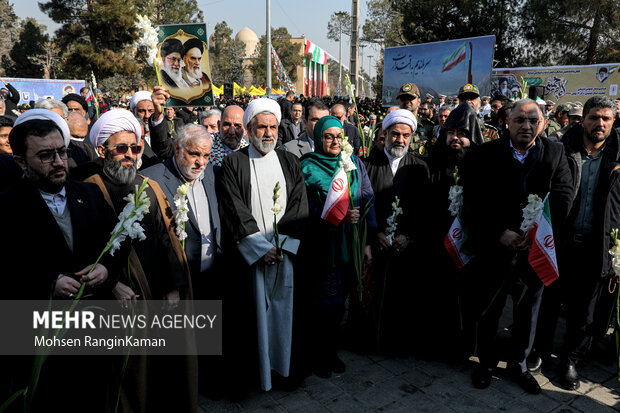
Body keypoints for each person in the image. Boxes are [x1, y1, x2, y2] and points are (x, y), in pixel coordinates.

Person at [1, 109, 123, 411]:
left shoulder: (90, 194)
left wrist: (107, 270)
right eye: (45, 156)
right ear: (20, 161)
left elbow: (118, 243)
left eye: (61, 152)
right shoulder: (6, 207)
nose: (58, 162)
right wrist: (49, 283)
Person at [83, 108, 197, 412]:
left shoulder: (149, 186)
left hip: (159, 291)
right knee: (129, 376)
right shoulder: (87, 188)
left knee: (164, 370)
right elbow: (87, 250)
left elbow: (168, 239)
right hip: (120, 297)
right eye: (121, 148)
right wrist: (113, 284)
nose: (130, 155)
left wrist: (174, 285)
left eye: (135, 148)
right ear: (102, 149)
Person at [463, 98, 572, 394]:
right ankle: (486, 362)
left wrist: (537, 234)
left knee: (527, 312)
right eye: (519, 120)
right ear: (506, 123)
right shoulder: (485, 154)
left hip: (535, 249)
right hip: (495, 247)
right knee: (491, 309)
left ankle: (520, 365)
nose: (526, 126)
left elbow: (563, 196)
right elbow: (473, 200)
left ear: (543, 123)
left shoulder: (556, 152)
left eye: (532, 121)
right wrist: (500, 232)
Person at [216, 97, 308, 393]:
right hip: (252, 257)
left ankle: (283, 373)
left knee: (284, 313)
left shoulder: (289, 161)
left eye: (273, 127)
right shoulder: (233, 163)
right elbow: (233, 208)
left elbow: (298, 204)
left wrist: (282, 245)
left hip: (284, 256)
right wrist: (260, 248)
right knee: (251, 317)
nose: (268, 133)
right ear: (248, 129)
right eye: (261, 127)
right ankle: (255, 377)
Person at [534, 96, 620, 391]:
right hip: (559, 241)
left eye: (606, 118)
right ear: (582, 119)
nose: (600, 124)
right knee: (549, 300)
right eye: (594, 117)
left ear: (613, 121)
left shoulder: (618, 157)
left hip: (596, 246)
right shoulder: (560, 149)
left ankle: (571, 359)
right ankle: (539, 351)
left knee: (585, 310)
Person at [298, 115, 376, 377]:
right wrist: (335, 216)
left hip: (348, 245)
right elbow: (302, 207)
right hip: (320, 246)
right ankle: (316, 355)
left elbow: (367, 199)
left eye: (338, 136)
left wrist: (365, 240)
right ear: (319, 138)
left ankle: (331, 352)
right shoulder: (307, 167)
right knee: (318, 304)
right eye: (327, 136)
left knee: (337, 304)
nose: (333, 141)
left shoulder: (353, 163)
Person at [363, 109, 429, 355]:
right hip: (376, 246)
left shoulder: (421, 168)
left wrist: (408, 236)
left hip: (406, 247)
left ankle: (399, 343)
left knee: (403, 297)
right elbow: (361, 205)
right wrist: (375, 234)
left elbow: (425, 210)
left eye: (405, 135)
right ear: (385, 133)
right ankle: (372, 342)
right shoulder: (368, 166)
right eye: (395, 134)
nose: (400, 139)